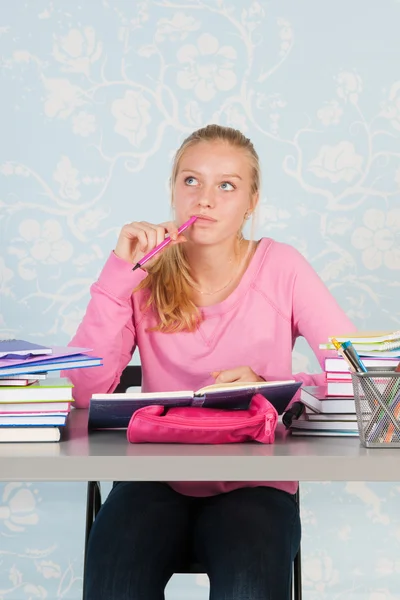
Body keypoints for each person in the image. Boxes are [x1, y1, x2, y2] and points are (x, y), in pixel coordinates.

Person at [66, 124, 356, 600]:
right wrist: (119, 274)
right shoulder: (143, 274)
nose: (205, 199)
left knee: (248, 585)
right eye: (191, 181)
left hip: (256, 485)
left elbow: (360, 375)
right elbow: (82, 388)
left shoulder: (282, 267)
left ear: (252, 202)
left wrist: (273, 385)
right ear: (173, 190)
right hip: (152, 479)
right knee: (115, 583)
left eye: (227, 185)